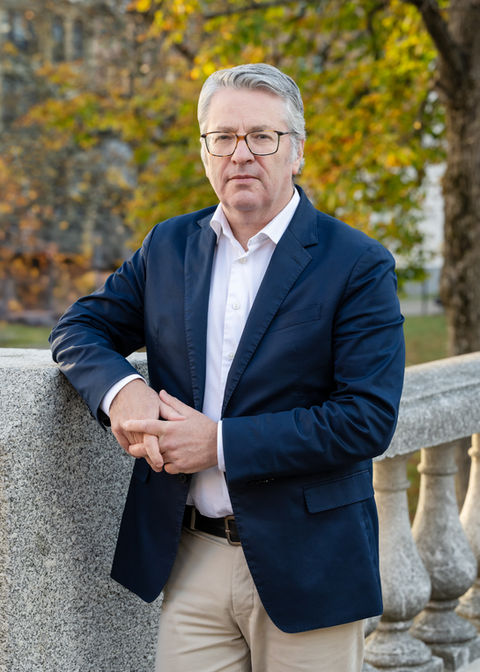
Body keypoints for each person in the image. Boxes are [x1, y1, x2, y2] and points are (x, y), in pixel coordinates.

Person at [50, 63, 405, 672]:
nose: (241, 153)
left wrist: (219, 443)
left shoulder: (357, 264)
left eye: (262, 136)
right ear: (205, 151)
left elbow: (366, 419)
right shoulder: (168, 247)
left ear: (296, 151)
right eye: (223, 137)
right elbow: (78, 328)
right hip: (192, 557)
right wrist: (123, 390)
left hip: (309, 564)